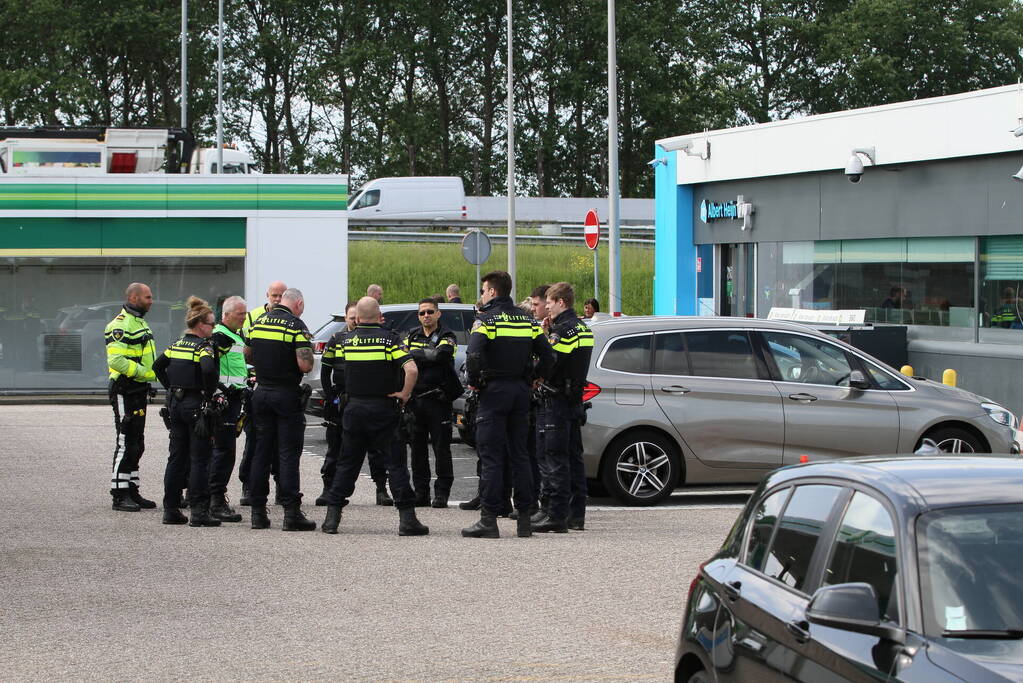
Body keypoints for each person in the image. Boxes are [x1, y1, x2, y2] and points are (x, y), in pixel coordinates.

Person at [320, 297, 429, 536]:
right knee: (395, 464)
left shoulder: (345, 340)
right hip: (383, 409)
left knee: (347, 463)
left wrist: (333, 398)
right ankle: (407, 520)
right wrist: (404, 394)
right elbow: (411, 369)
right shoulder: (390, 339)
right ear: (380, 317)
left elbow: (329, 370)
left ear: (358, 318)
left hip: (354, 409)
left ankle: (331, 519)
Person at [462, 271, 555, 539]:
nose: (482, 295)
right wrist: (536, 378)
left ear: (492, 291)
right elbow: (548, 355)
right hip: (520, 392)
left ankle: (488, 520)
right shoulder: (527, 320)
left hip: (493, 392)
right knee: (520, 456)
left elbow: (473, 356)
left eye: (483, 291)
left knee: (491, 457)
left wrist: (475, 382)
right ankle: (524, 520)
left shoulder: (485, 320)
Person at [244, 287, 316, 531]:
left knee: (261, 452)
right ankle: (291, 513)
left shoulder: (259, 322)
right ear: (298, 303)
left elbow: (248, 354)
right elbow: (305, 365)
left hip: (261, 393)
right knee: (287, 453)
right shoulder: (296, 326)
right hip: (285, 394)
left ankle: (257, 513)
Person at [152, 297, 222, 527]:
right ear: (201, 325)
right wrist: (208, 393)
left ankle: (171, 510)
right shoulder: (203, 347)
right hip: (195, 405)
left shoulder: (177, 345)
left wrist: (171, 388)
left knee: (176, 458)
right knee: (200, 459)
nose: (213, 328)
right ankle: (199, 512)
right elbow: (208, 370)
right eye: (211, 324)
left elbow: (157, 366)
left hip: (176, 404)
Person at [317, 302, 392, 506]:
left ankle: (381, 489)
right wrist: (331, 397)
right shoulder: (337, 339)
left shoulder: (374, 338)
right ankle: (328, 488)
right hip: (341, 398)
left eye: (356, 318)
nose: (354, 321)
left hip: (364, 398)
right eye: (351, 318)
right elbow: (325, 371)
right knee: (335, 446)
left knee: (376, 449)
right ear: (347, 318)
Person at [533, 282, 594, 532]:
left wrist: (543, 341)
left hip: (556, 400)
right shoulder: (582, 328)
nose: (547, 307)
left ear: (561, 302)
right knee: (573, 459)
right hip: (574, 400)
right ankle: (575, 515)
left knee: (554, 458)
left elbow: (550, 363)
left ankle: (555, 515)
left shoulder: (563, 331)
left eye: (549, 302)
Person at [104, 282, 158, 512]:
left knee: (137, 443)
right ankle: (119, 494)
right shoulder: (119, 325)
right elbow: (116, 361)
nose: (151, 301)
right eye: (148, 297)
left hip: (138, 388)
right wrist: (145, 374)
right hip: (125, 388)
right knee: (126, 441)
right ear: (134, 298)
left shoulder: (139, 322)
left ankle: (132, 489)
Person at [406, 298, 458, 508]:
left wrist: (416, 354)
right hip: (416, 401)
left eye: (430, 312)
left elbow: (442, 356)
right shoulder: (412, 335)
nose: (426, 316)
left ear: (438, 313)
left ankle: (442, 494)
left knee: (441, 449)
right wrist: (426, 355)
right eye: (422, 313)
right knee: (417, 451)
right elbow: (404, 358)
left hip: (438, 400)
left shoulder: (447, 335)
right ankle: (421, 493)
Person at [238, 280, 286, 505]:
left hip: (279, 386)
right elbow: (244, 352)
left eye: (281, 295)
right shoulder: (252, 317)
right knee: (255, 440)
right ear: (267, 295)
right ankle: (249, 486)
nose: (277, 299)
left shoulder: (291, 320)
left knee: (281, 443)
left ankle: (281, 487)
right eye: (274, 295)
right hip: (256, 385)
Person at [207, 295, 248, 523]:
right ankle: (215, 501)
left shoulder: (234, 334)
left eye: (245, 314)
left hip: (233, 398)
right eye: (240, 314)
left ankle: (206, 496)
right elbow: (210, 368)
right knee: (223, 452)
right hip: (224, 401)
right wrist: (220, 391)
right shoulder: (219, 336)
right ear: (226, 314)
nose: (244, 318)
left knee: (222, 450)